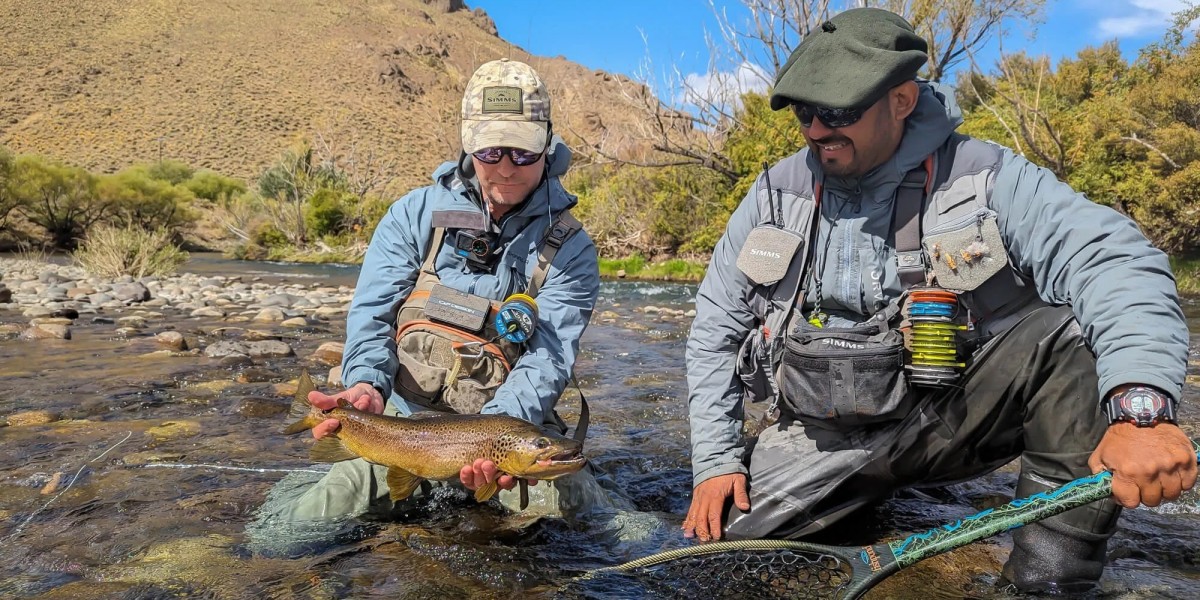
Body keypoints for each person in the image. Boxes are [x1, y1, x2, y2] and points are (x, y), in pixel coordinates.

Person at [682, 7, 1196, 594]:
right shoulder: (774, 193)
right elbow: (714, 329)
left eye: (840, 111)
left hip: (946, 422)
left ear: (902, 101)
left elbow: (1118, 261)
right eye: (805, 111)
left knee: (1069, 336)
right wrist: (717, 461)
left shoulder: (987, 176)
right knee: (711, 562)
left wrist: (1142, 412)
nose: (817, 130)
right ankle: (858, 503)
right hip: (817, 440)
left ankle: (1046, 577)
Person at [249, 59, 617, 551]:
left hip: (507, 431)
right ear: (467, 143)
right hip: (401, 429)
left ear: (547, 145)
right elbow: (373, 318)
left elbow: (547, 360)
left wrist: (493, 440)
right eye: (490, 149)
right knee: (284, 541)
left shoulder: (570, 247)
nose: (506, 165)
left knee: (608, 534)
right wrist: (365, 385)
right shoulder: (414, 216)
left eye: (523, 152)